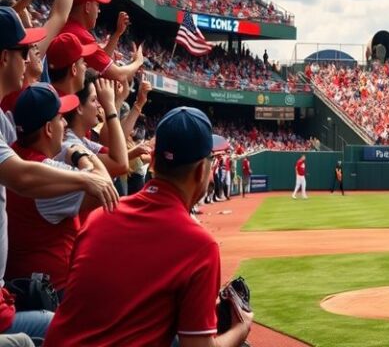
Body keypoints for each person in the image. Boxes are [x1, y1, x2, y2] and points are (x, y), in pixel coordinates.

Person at [45, 107, 253, 346]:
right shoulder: (199, 245)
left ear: (152, 161)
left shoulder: (100, 215)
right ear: (201, 171)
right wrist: (241, 328)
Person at [0, 7, 118, 340]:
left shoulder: (10, 130)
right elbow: (23, 176)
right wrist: (84, 172)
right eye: (23, 52)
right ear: (4, 57)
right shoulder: (36, 161)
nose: (29, 58)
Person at [6, 84, 112, 295]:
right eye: (60, 118)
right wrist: (78, 153)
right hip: (53, 290)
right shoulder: (46, 172)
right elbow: (104, 185)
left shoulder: (11, 155)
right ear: (48, 129)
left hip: (21, 283)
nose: (65, 124)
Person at [59, 0, 144, 80]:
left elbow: (100, 60)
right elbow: (119, 75)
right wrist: (138, 61)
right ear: (87, 7)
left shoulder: (69, 26)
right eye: (97, 5)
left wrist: (117, 33)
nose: (99, 11)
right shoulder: (79, 34)